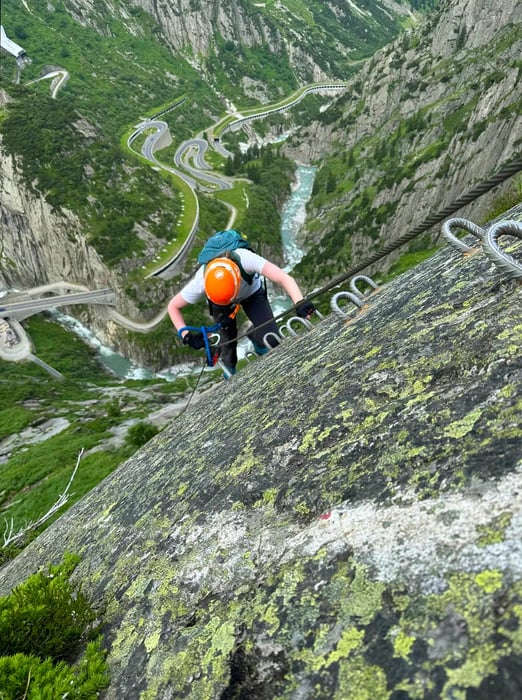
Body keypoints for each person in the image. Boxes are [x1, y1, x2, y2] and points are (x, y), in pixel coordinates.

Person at [167, 243, 316, 376]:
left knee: (272, 339)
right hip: (220, 302)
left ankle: (255, 337)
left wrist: (300, 302)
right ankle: (229, 371)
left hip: (251, 292)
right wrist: (186, 335)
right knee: (228, 343)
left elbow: (284, 278)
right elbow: (173, 307)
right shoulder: (201, 280)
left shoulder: (245, 259)